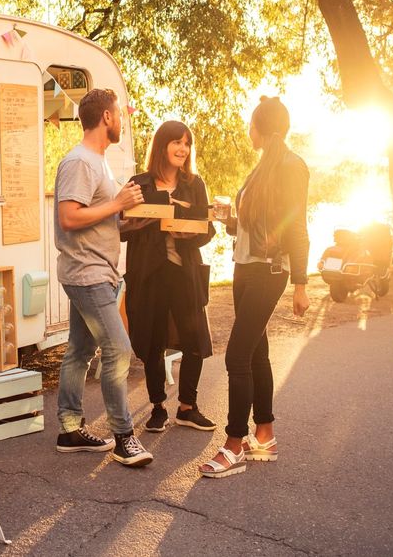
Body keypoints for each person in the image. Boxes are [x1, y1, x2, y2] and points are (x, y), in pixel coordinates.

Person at [201, 96, 310, 479]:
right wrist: (229, 219)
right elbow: (252, 227)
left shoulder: (292, 167)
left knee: (236, 356)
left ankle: (234, 444)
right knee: (256, 352)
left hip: (269, 270)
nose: (248, 130)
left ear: (261, 128)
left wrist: (301, 282)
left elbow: (296, 226)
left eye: (251, 124)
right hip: (245, 268)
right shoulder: (261, 167)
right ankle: (264, 436)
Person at [53, 87, 154, 467]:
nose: (122, 121)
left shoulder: (100, 162)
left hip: (101, 270)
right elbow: (69, 217)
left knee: (79, 351)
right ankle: (124, 436)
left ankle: (69, 428)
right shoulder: (80, 161)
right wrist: (117, 204)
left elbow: (98, 218)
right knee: (118, 349)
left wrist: (128, 218)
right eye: (120, 115)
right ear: (107, 118)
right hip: (86, 272)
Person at [120, 120, 217, 433]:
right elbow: (120, 228)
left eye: (187, 143)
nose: (182, 149)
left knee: (195, 340)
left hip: (185, 273)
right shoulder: (138, 184)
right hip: (149, 276)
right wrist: (136, 223)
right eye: (177, 142)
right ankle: (158, 407)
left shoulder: (194, 184)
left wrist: (187, 233)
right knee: (153, 342)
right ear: (162, 146)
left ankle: (187, 407)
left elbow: (208, 228)